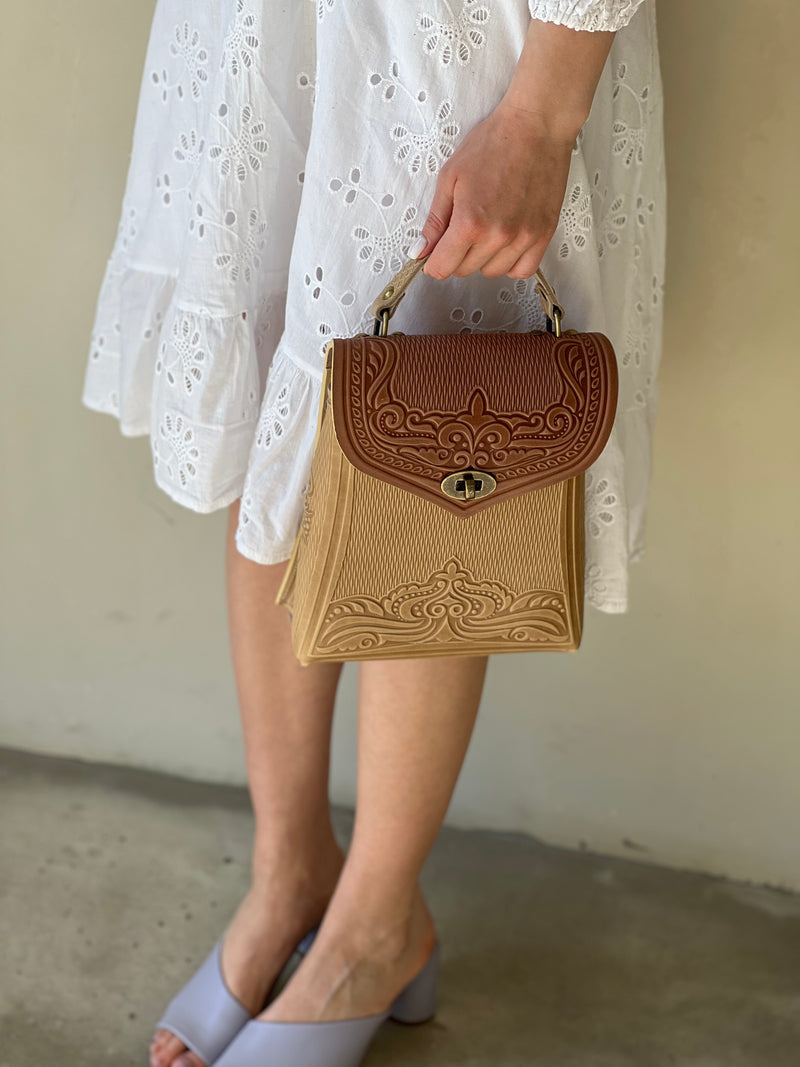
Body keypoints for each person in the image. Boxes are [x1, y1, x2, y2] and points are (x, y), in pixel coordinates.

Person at [82, 2, 665, 1065]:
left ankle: (371, 928)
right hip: (264, 32)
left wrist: (540, 112)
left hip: (441, 46)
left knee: (438, 448)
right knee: (273, 423)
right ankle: (288, 875)